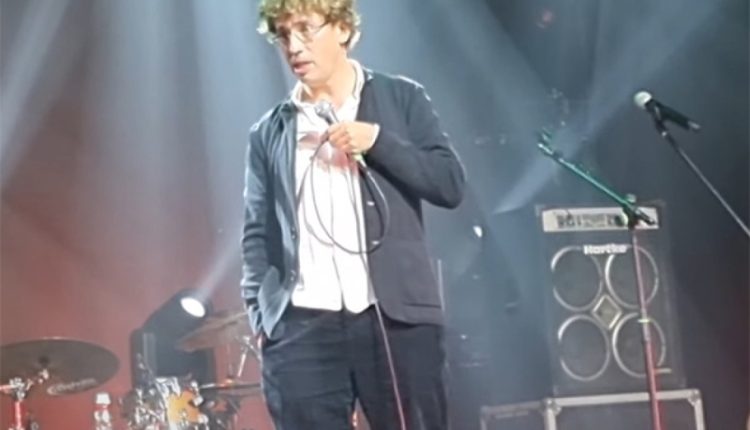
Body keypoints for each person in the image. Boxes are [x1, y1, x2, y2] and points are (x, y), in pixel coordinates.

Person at [240, 0, 465, 429]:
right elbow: (256, 233)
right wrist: (264, 315)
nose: (294, 46)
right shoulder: (269, 132)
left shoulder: (402, 98)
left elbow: (449, 184)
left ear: (342, 28)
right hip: (303, 327)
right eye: (283, 35)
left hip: (396, 320)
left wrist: (379, 142)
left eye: (305, 29)